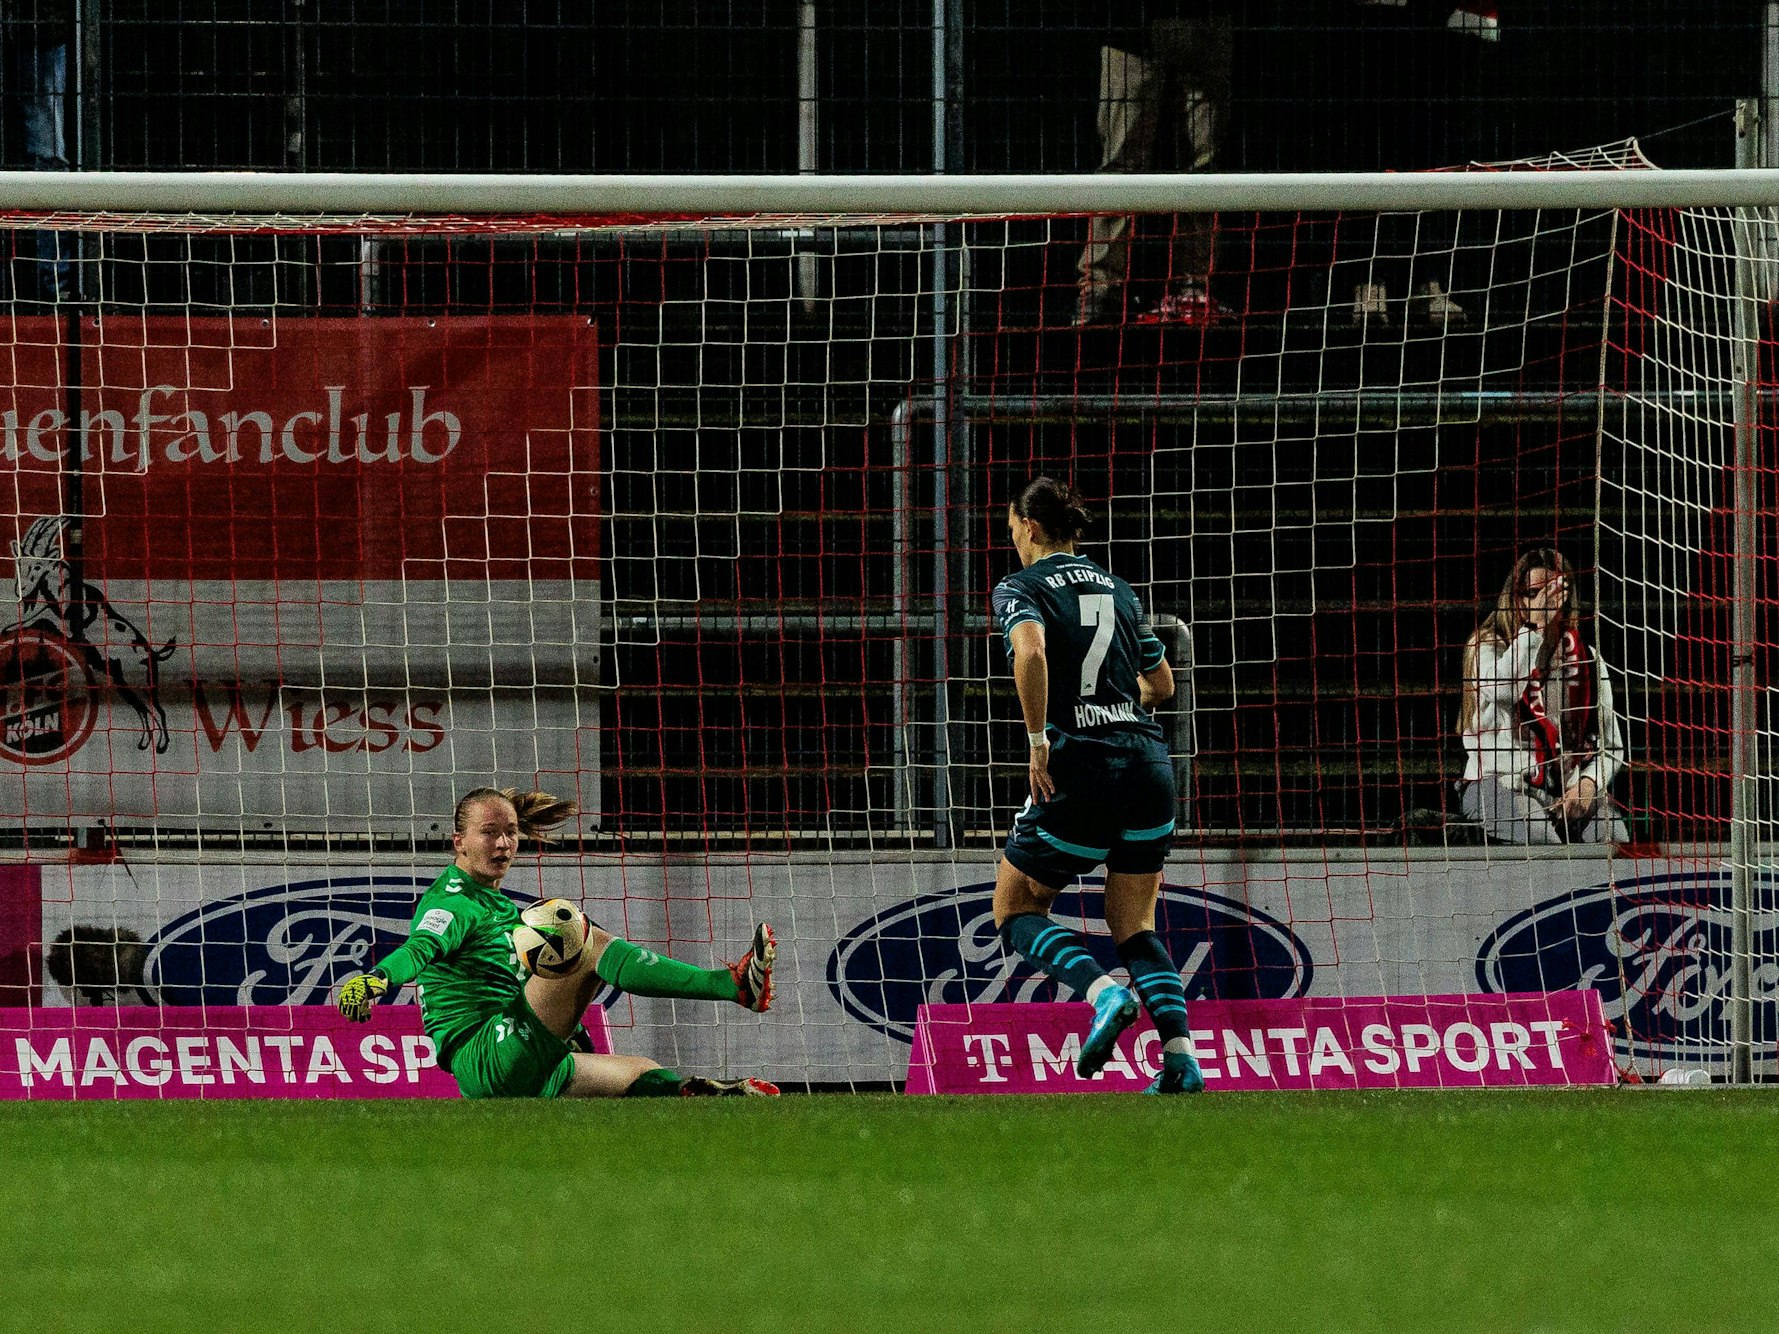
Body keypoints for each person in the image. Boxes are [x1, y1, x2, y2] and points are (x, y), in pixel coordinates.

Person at [336, 786, 781, 1098]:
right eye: (489, 832)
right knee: (580, 938)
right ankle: (730, 985)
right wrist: (377, 980)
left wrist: (571, 1028)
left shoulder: (497, 906)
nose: (505, 843)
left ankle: (709, 1093)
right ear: (460, 842)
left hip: (519, 1055)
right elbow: (420, 948)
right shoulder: (452, 903)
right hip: (486, 1054)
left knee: (645, 1074)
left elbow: (521, 985)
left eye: (511, 831)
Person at [989, 476, 1203, 1094]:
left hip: (1083, 768)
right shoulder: (1119, 588)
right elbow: (1161, 685)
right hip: (1149, 765)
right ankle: (1181, 1060)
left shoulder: (1020, 587)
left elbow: (1029, 656)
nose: (1014, 543)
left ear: (1029, 528)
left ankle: (1104, 995)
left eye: (1012, 531)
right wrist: (1114, 705)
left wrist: (1038, 742)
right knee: (1134, 924)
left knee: (1015, 905)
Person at [1074, 2, 1233, 328]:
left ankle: (1192, 288)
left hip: (1203, 23)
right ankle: (1101, 288)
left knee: (1202, 168)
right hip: (1131, 27)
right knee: (1120, 166)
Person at [1458, 549, 1627, 845]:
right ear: (1515, 597)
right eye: (1532, 593)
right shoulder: (1486, 646)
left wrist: (1589, 784)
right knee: (1543, 842)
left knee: (1613, 836)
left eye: (1550, 594)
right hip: (1497, 784)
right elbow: (1504, 690)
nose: (1539, 603)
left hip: (1565, 788)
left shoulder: (1586, 658)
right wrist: (1533, 629)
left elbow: (1612, 745)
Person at [4, 0, 74, 301]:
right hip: (41, 32)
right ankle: (57, 287)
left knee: (50, 161)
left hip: (41, 34)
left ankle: (57, 287)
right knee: (50, 160)